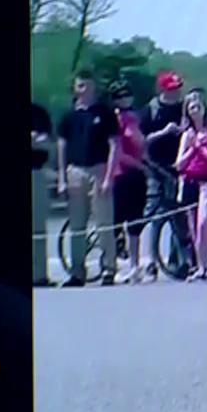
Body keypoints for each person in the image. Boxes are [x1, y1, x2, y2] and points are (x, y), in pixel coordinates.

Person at [56, 70, 120, 287]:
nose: (84, 89)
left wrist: (109, 176)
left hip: (98, 170)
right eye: (80, 85)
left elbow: (115, 145)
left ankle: (108, 269)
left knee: (103, 222)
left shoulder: (105, 112)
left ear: (94, 87)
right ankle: (77, 272)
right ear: (75, 88)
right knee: (77, 226)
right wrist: (63, 178)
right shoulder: (69, 116)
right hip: (75, 172)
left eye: (88, 85)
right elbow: (62, 145)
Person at [138, 71, 187, 280]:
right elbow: (142, 140)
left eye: (178, 88)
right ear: (163, 89)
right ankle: (149, 259)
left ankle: (177, 259)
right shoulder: (151, 110)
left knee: (179, 211)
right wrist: (165, 132)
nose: (176, 92)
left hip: (178, 165)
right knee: (155, 211)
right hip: (155, 165)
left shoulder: (183, 107)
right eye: (172, 89)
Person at [176, 93, 207, 283]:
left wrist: (201, 148)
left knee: (203, 221)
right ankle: (201, 267)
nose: (195, 110)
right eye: (191, 107)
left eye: (197, 106)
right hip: (190, 181)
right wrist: (192, 148)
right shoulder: (187, 134)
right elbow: (179, 164)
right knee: (194, 228)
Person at [109, 80, 150, 284]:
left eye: (127, 95)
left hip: (135, 174)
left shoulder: (133, 116)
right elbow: (119, 151)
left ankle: (134, 265)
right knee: (118, 220)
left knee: (135, 221)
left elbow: (141, 144)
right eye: (120, 96)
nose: (124, 99)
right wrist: (140, 165)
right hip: (121, 173)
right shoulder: (117, 119)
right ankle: (114, 264)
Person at [31, 101, 55, 288]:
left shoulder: (38, 112)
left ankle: (39, 274)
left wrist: (40, 141)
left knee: (38, 226)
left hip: (36, 172)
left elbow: (49, 143)